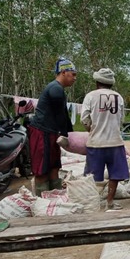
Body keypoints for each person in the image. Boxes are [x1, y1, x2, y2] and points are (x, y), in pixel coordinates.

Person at [80, 68, 130, 211]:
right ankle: (110, 202)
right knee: (115, 174)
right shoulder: (118, 97)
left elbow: (84, 119)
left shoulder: (90, 96)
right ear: (111, 83)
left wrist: (91, 129)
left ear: (97, 82)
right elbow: (121, 119)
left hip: (96, 143)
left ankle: (94, 204)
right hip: (115, 142)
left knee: (93, 177)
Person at [28, 58, 77, 196]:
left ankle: (55, 202)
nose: (75, 78)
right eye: (73, 74)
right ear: (63, 72)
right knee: (42, 170)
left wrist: (69, 133)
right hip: (41, 132)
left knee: (54, 167)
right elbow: (59, 114)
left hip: (51, 133)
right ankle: (42, 202)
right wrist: (64, 133)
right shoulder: (55, 88)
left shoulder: (58, 89)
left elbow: (64, 114)